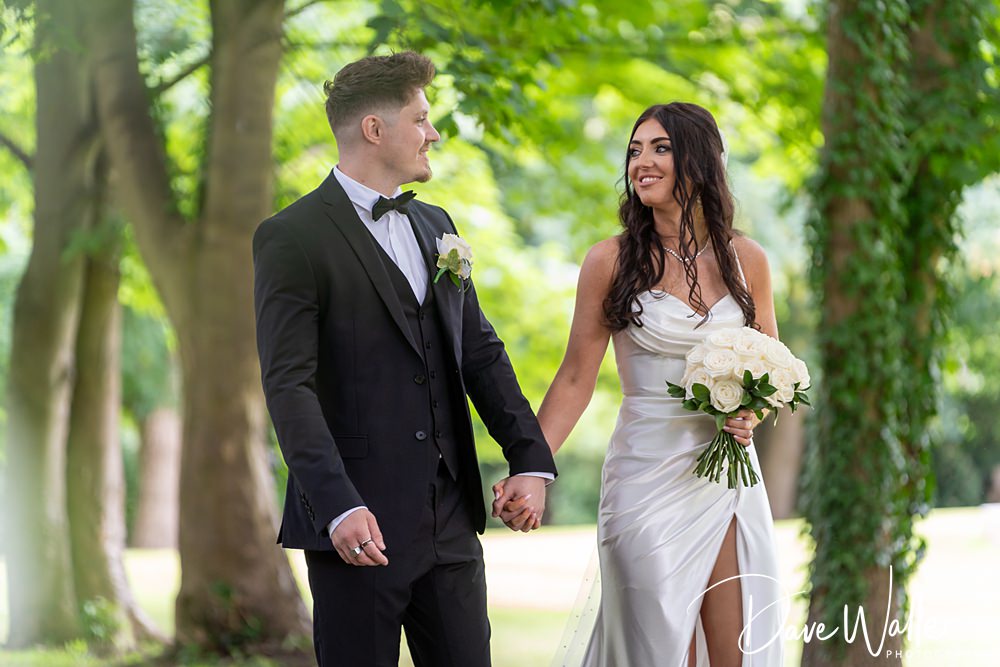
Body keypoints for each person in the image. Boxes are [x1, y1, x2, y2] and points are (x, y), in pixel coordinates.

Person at [253, 51, 556, 667]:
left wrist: (530, 459)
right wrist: (337, 503)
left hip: (449, 517)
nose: (434, 133)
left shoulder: (435, 224)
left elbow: (479, 351)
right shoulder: (292, 237)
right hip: (356, 526)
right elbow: (290, 387)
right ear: (374, 129)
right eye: (421, 118)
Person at [496, 102, 784, 666]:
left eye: (659, 148)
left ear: (698, 161)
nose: (641, 162)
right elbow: (577, 377)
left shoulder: (747, 259)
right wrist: (532, 467)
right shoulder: (609, 261)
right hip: (642, 480)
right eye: (634, 150)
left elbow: (771, 369)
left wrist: (752, 411)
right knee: (652, 649)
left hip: (727, 480)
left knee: (737, 652)